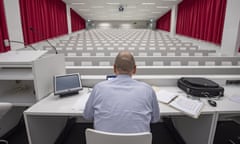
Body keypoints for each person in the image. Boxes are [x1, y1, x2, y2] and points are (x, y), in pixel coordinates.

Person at [83, 51, 160, 133]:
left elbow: (87, 116)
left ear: (114, 68)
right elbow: (155, 119)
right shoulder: (147, 89)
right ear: (134, 69)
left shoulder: (98, 88)